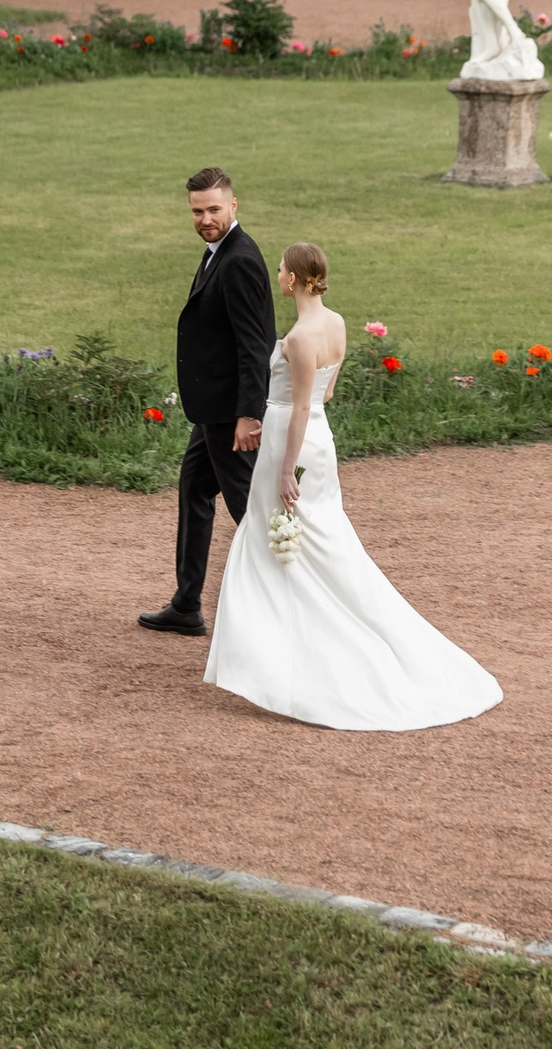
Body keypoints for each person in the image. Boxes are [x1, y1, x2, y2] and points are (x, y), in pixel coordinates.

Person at [202, 242, 504, 731]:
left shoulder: (300, 337)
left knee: (278, 544)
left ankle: (279, 661)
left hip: (292, 445)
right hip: (319, 441)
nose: (277, 276)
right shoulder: (337, 324)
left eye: (281, 270)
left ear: (296, 278)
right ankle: (277, 653)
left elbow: (298, 407)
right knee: (320, 542)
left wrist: (283, 468)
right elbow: (326, 394)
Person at [139, 168, 275, 637]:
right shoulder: (219, 252)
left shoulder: (238, 260)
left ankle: (289, 605)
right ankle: (186, 604)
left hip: (231, 413)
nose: (205, 219)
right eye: (197, 211)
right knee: (195, 489)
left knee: (250, 511)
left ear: (233, 206)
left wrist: (249, 414)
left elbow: (254, 345)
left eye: (214, 209)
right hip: (214, 409)